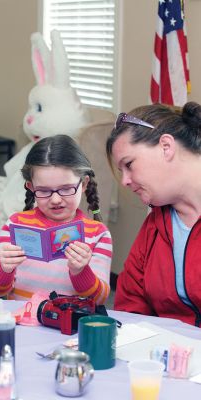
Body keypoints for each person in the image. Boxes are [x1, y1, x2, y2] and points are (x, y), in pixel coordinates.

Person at [0, 134, 112, 304]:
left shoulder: (98, 234)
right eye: (44, 191)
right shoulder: (15, 226)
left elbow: (100, 298)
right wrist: (3, 268)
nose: (55, 200)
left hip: (71, 328)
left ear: (83, 184)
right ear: (31, 187)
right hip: (23, 324)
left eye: (66, 189)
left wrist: (80, 271)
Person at [106, 102, 201, 326]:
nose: (125, 181)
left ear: (166, 146)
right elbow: (130, 306)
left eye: (129, 164)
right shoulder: (156, 225)